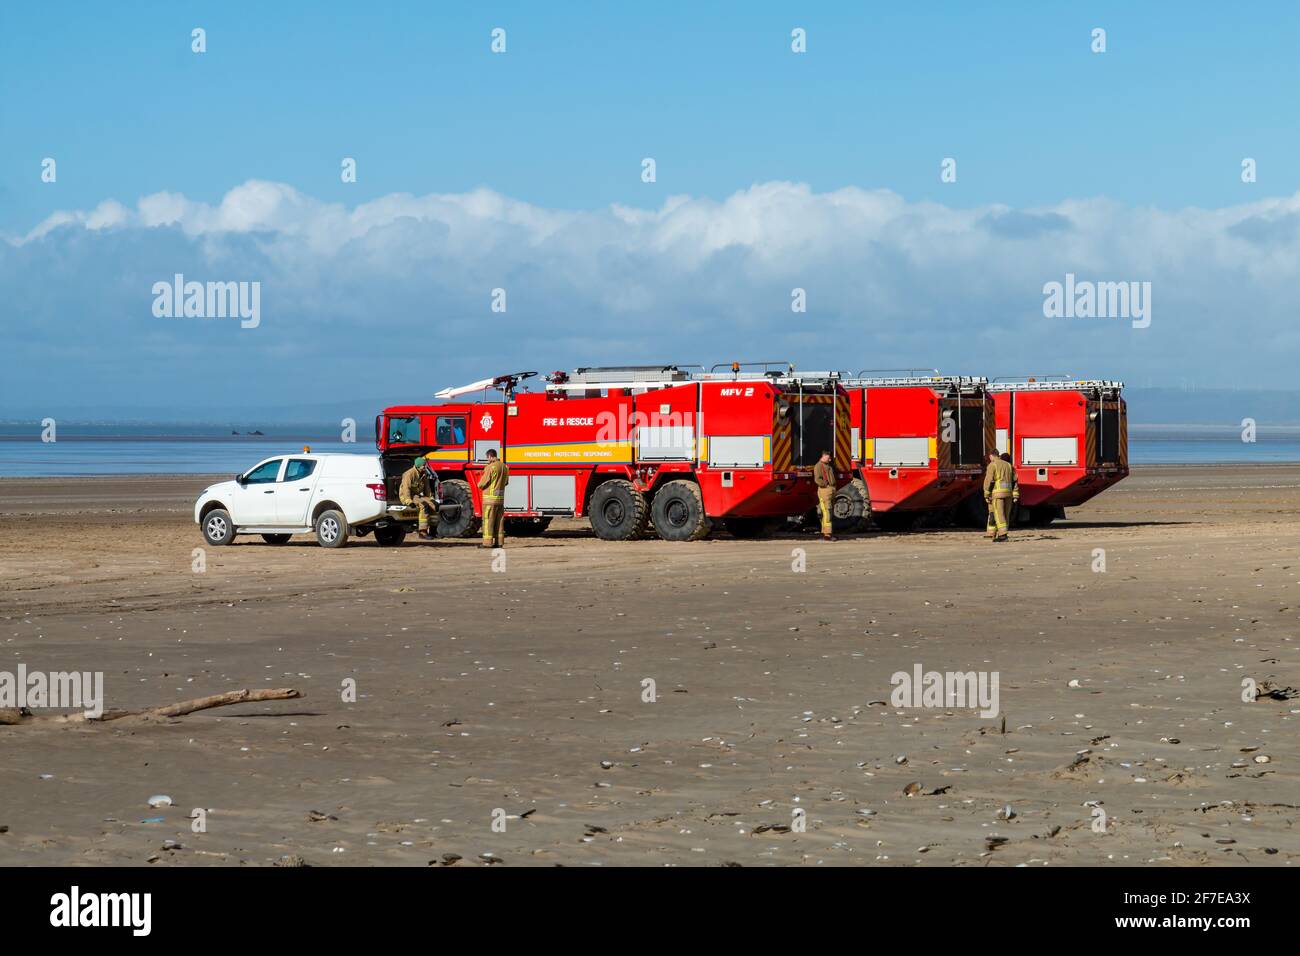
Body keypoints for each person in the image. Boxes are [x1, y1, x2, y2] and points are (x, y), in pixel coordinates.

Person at [399, 455, 440, 539]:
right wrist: (408, 501)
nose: (425, 466)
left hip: (416, 495)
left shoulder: (423, 474)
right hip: (408, 496)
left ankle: (433, 531)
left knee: (434, 506)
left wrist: (432, 499)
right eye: (423, 465)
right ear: (418, 465)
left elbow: (427, 488)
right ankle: (422, 532)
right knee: (423, 505)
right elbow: (406, 489)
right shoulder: (409, 474)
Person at [982, 450, 1019, 542]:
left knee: (998, 514)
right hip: (1008, 495)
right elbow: (1014, 481)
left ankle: (1003, 535)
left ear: (991, 456)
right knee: (1005, 514)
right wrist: (1015, 495)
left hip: (997, 494)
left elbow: (989, 481)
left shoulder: (992, 465)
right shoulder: (1009, 465)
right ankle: (992, 533)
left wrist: (986, 494)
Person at [478, 448, 510, 549]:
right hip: (500, 500)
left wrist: (480, 485)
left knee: (488, 521)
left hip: (489, 500)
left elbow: (482, 483)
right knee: (499, 522)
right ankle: (499, 543)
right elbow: (506, 482)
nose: (487, 460)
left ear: (490, 456)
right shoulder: (505, 467)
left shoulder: (490, 467)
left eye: (487, 458)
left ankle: (487, 543)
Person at [812, 449, 836, 542]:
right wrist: (825, 485)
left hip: (831, 490)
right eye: (828, 457)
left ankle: (829, 534)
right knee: (827, 512)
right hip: (825, 490)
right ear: (824, 456)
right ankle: (827, 535)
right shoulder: (818, 466)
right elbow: (817, 479)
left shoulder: (828, 465)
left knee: (830, 512)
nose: (830, 460)